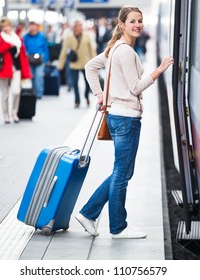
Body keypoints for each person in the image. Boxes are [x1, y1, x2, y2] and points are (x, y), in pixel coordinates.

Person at [75, 6, 174, 238]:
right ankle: (118, 227)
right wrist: (158, 70)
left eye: (140, 20)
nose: (137, 24)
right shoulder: (126, 51)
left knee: (121, 171)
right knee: (122, 173)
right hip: (127, 118)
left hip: (116, 116)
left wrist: (100, 95)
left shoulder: (114, 48)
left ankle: (88, 213)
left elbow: (91, 67)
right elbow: (135, 87)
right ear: (121, 24)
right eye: (132, 21)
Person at [0, 17, 32, 124]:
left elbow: (22, 54)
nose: (5, 28)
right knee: (5, 93)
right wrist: (8, 45)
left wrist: (26, 70)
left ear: (11, 26)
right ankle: (6, 115)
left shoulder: (17, 38)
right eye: (3, 26)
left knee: (16, 91)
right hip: (3, 69)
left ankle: (14, 113)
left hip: (17, 68)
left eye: (7, 25)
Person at [58, 19, 96, 108]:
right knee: (75, 83)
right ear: (74, 27)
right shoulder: (69, 37)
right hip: (74, 63)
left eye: (81, 25)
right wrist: (60, 64)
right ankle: (77, 101)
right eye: (79, 25)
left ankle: (86, 95)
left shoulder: (87, 36)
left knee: (88, 82)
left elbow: (92, 50)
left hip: (85, 63)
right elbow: (64, 50)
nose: (80, 27)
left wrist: (95, 62)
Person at [23, 21, 49, 99]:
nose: (32, 27)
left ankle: (39, 93)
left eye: (34, 26)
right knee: (31, 76)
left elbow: (45, 48)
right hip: (29, 59)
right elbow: (23, 48)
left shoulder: (41, 36)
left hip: (40, 60)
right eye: (31, 26)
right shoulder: (26, 37)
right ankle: (33, 92)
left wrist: (46, 59)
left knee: (39, 76)